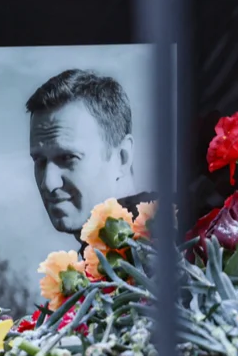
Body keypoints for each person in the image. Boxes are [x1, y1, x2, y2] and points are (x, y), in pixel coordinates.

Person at [26, 70, 151, 245]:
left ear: (122, 157)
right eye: (40, 161)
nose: (48, 183)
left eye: (67, 157)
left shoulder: (179, 243)